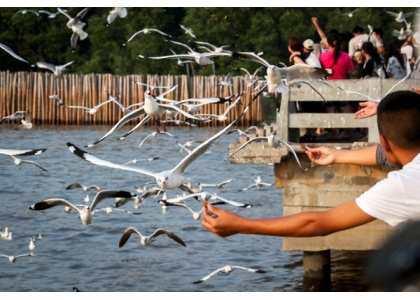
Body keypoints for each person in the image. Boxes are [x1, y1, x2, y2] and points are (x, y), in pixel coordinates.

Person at [202, 90, 420, 239]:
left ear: (383, 140)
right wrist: (338, 155)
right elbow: (388, 153)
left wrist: (241, 225)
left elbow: (318, 223)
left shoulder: (405, 186)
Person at [319, 34, 354, 139]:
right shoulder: (345, 56)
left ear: (328, 44)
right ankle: (347, 132)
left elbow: (320, 72)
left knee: (331, 110)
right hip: (342, 86)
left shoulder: (323, 56)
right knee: (345, 109)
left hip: (328, 86)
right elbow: (350, 71)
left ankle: (334, 133)